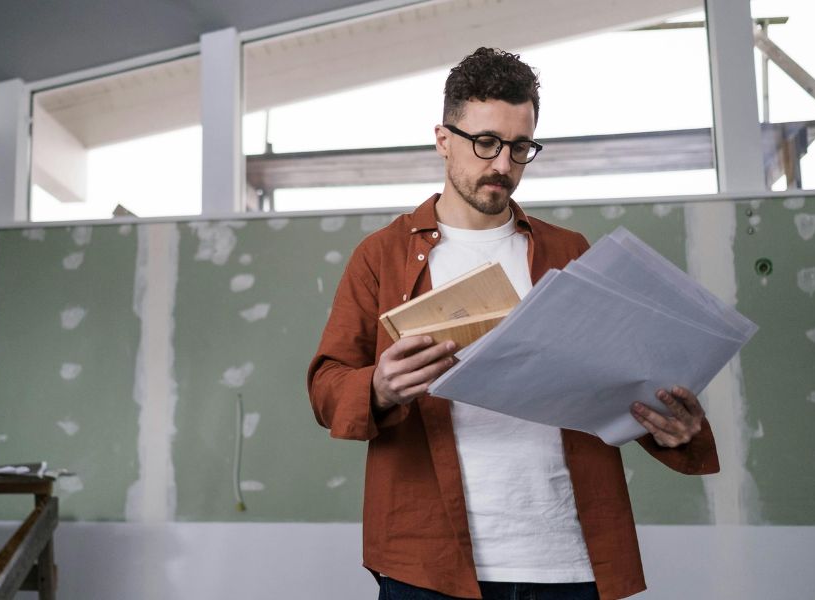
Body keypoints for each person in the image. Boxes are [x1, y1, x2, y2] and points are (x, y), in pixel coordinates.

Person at [306, 48, 719, 600]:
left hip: (567, 562)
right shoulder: (381, 256)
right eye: (486, 143)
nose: (503, 164)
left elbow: (617, 380)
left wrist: (673, 429)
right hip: (429, 565)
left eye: (520, 147)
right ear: (443, 139)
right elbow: (326, 386)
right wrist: (377, 388)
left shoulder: (568, 251)